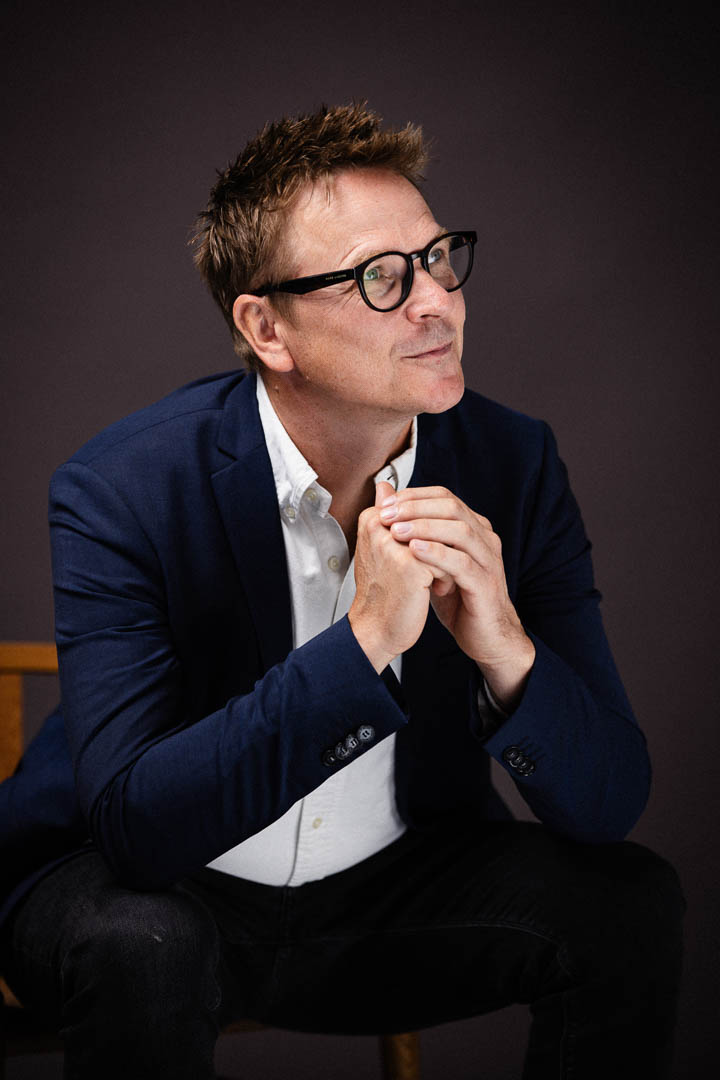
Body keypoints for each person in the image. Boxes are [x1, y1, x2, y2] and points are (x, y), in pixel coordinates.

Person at [0, 103, 684, 1078]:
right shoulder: (125, 486)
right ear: (266, 327)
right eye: (381, 277)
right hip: (150, 894)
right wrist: (362, 647)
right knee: (144, 945)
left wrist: (508, 654)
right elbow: (139, 832)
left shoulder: (513, 463)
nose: (437, 301)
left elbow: (608, 804)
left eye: (438, 258)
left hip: (383, 898)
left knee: (630, 902)